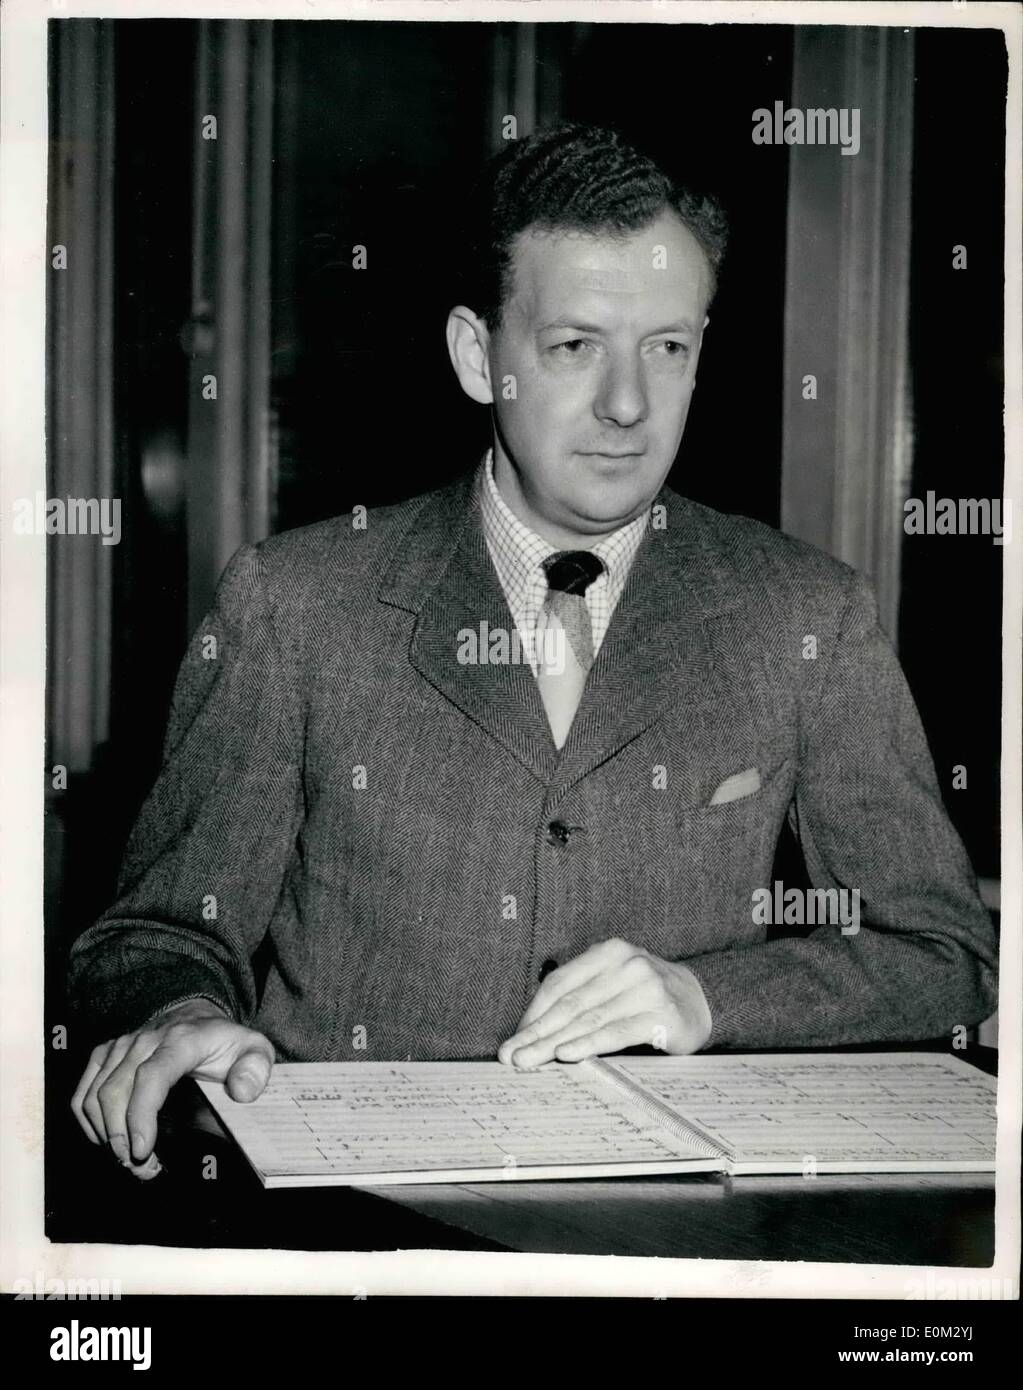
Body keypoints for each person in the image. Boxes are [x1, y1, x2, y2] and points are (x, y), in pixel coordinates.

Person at [68, 123, 998, 1176]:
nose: (628, 405)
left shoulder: (807, 614)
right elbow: (152, 937)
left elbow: (948, 957)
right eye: (573, 346)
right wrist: (183, 1015)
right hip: (361, 1222)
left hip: (676, 1246)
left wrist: (709, 996)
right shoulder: (294, 605)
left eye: (668, 348)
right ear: (479, 356)